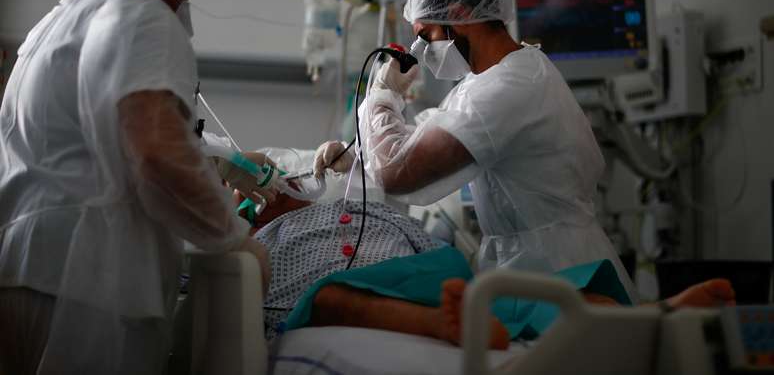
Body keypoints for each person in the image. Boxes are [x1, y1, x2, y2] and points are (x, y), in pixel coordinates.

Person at [0, 0, 270, 375]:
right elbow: (159, 154)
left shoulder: (60, 19)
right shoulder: (144, 16)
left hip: (20, 266)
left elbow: (93, 136)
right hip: (86, 283)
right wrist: (233, 239)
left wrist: (205, 162)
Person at [314, 0, 637, 299]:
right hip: (531, 262)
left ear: (460, 14)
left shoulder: (509, 86)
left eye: (426, 35)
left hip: (560, 270)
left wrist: (383, 95)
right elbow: (423, 143)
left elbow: (398, 173)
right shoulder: (490, 79)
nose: (420, 50)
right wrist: (359, 161)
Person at [236, 189, 735, 350]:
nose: (266, 195)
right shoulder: (253, 243)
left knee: (542, 296)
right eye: (251, 199)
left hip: (425, 274)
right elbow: (238, 301)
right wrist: (245, 227)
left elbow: (425, 239)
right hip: (335, 292)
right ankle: (442, 324)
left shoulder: (362, 205)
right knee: (329, 300)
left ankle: (656, 316)